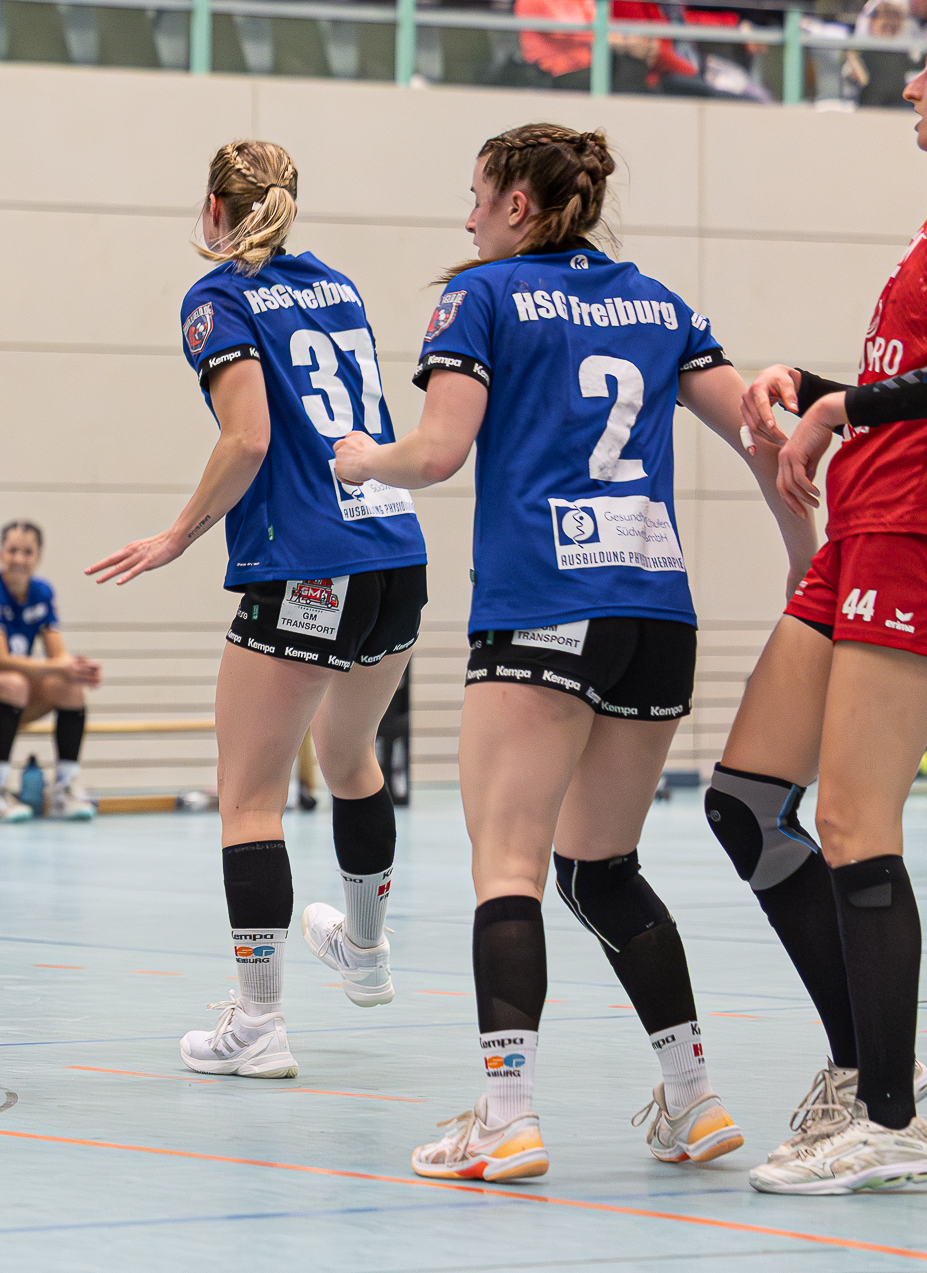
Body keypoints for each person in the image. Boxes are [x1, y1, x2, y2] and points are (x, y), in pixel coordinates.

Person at [330, 125, 811, 1180]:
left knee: (505, 866)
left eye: (475, 196)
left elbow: (437, 452)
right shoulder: (660, 305)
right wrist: (801, 560)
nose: (465, 218)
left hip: (540, 604)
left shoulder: (481, 296)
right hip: (654, 616)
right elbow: (765, 436)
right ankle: (693, 1097)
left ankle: (505, 1115)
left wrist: (364, 459)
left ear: (516, 203)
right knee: (600, 870)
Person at [89, 139, 427, 1082]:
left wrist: (180, 533)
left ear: (213, 208)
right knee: (351, 756)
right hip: (394, 554)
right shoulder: (337, 286)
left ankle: (258, 1020)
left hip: (306, 565)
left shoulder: (217, 300)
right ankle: (365, 950)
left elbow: (249, 438)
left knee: (248, 796)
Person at [702, 66, 927, 1194]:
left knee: (853, 819)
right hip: (858, 526)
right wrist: (815, 383)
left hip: (910, 534)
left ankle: (892, 1120)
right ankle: (863, 1068)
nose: (914, 83)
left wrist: (848, 408)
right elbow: (911, 386)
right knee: (743, 804)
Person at [0, 522, 102, 822]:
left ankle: (64, 790)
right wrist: (60, 666)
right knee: (13, 682)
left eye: (27, 552)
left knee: (70, 687)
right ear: (0, 553)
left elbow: (57, 656)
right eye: (12, 550)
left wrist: (79, 669)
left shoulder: (41, 591)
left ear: (38, 556)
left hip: (12, 693)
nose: (19, 559)